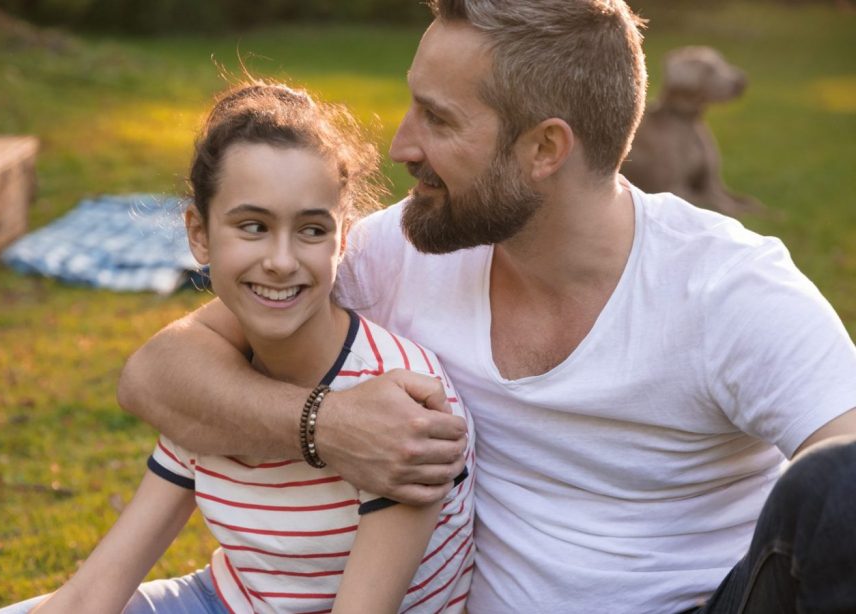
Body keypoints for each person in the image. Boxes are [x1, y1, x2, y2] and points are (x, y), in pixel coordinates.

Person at [119, 1, 856, 613]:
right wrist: (325, 425)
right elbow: (156, 375)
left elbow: (840, 489)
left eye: (437, 120)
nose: (402, 145)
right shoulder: (403, 247)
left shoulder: (726, 288)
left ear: (544, 149)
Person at [0, 82, 475, 614]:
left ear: (343, 240)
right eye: (253, 226)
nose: (281, 260)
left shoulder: (405, 403)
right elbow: (94, 592)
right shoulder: (213, 380)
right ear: (199, 234)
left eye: (312, 230)